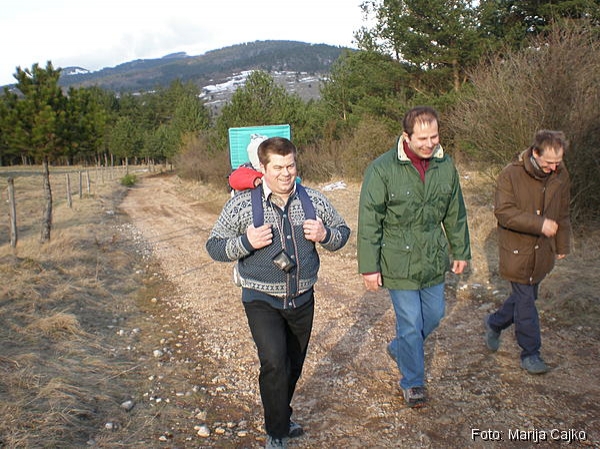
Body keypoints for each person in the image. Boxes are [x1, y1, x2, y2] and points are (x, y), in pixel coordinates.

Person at [206, 137, 350, 449]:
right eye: (278, 167)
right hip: (260, 299)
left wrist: (325, 234)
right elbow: (214, 246)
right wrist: (246, 242)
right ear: (263, 168)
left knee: (292, 366)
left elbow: (343, 233)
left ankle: (281, 414)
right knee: (274, 362)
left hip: (302, 298)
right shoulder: (242, 205)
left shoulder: (314, 201)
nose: (286, 173)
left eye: (290, 166)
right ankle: (276, 432)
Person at [357, 106, 471, 408]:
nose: (429, 143)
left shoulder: (445, 166)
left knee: (434, 315)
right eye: (422, 138)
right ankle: (413, 382)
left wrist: (460, 250)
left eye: (434, 136)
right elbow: (369, 221)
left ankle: (400, 348)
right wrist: (369, 267)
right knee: (410, 322)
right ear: (406, 136)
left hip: (433, 258)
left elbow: (455, 212)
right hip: (397, 260)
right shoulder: (382, 169)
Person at [484, 130, 571, 374]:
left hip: (543, 251)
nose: (554, 168)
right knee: (526, 304)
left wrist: (562, 245)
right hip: (516, 250)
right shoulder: (510, 174)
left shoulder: (561, 174)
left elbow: (563, 212)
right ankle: (530, 353)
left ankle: (494, 322)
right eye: (549, 162)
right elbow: (504, 212)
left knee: (526, 297)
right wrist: (539, 224)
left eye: (558, 162)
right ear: (535, 153)